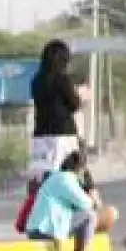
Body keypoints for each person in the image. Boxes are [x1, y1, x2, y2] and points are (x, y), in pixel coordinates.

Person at [23, 151, 108, 251]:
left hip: (37, 229)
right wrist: (94, 200)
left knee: (84, 216)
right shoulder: (67, 179)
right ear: (79, 169)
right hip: (44, 231)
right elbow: (86, 204)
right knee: (90, 216)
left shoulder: (55, 177)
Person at [29, 40, 82, 183]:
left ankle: (39, 203)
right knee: (66, 178)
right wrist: (81, 95)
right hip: (62, 135)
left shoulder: (36, 81)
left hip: (40, 134)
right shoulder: (62, 79)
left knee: (41, 177)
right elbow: (75, 104)